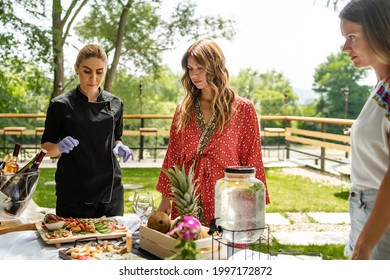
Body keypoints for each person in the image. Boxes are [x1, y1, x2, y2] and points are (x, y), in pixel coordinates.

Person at [155, 38, 269, 227]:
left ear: (215, 67)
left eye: (200, 68)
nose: (194, 75)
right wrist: (165, 201)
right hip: (187, 201)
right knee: (187, 253)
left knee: (225, 253)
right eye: (190, 69)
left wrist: (253, 207)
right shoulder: (184, 110)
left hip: (228, 200)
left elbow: (252, 158)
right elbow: (173, 157)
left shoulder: (243, 109)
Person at [41, 43, 134, 218]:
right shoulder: (60, 105)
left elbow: (116, 137)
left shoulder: (116, 104)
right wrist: (59, 147)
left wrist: (119, 146)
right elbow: (46, 148)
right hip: (74, 195)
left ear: (105, 70)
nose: (93, 78)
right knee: (73, 245)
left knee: (114, 245)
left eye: (99, 72)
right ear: (76, 69)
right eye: (87, 71)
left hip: (111, 193)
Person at [340, 0, 390, 259]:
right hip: (363, 210)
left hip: (381, 220)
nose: (345, 47)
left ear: (379, 30)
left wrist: (365, 243)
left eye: (352, 37)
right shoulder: (381, 87)